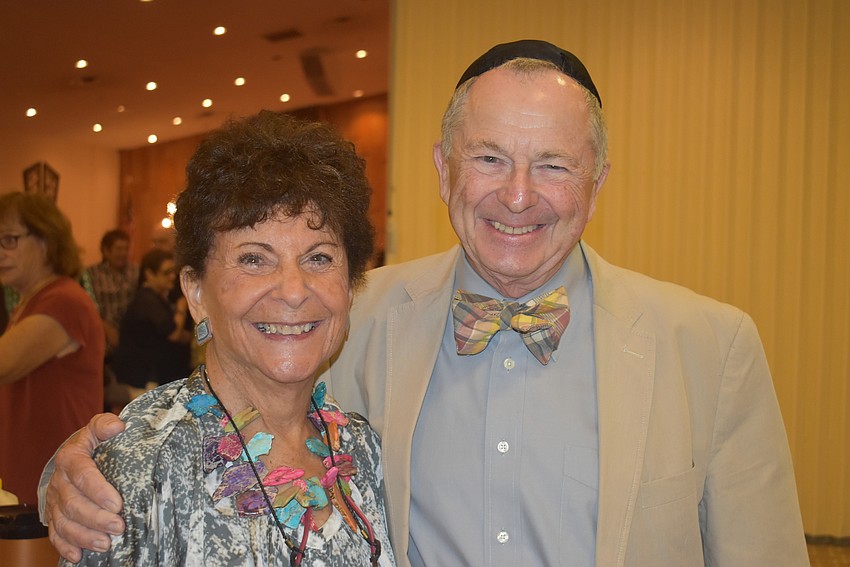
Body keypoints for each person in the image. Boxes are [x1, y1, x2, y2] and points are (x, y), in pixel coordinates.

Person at [42, 40, 808, 566]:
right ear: (444, 169)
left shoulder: (712, 347)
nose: (516, 195)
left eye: (552, 164)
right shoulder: (347, 317)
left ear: (598, 182)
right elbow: (220, 421)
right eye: (488, 158)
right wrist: (71, 473)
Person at [52, 111, 393, 566]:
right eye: (254, 259)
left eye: (318, 258)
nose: (293, 290)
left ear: (350, 288)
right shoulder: (145, 462)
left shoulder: (359, 448)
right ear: (196, 293)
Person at [0, 192, 104, 505]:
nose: (1, 251)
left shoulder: (62, 300)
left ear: (46, 241)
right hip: (30, 473)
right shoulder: (28, 302)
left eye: (9, 239)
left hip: (54, 478)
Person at [111, 248, 192, 398]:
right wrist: (182, 307)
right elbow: (173, 334)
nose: (172, 276)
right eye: (166, 272)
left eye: (173, 272)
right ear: (149, 274)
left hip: (153, 374)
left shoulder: (156, 298)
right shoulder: (147, 300)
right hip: (144, 377)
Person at [80, 229, 139, 354]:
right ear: (106, 251)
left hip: (131, 338)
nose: (123, 253)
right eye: (119, 249)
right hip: (101, 337)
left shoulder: (135, 271)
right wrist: (106, 327)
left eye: (126, 249)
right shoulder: (91, 274)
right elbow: (86, 306)